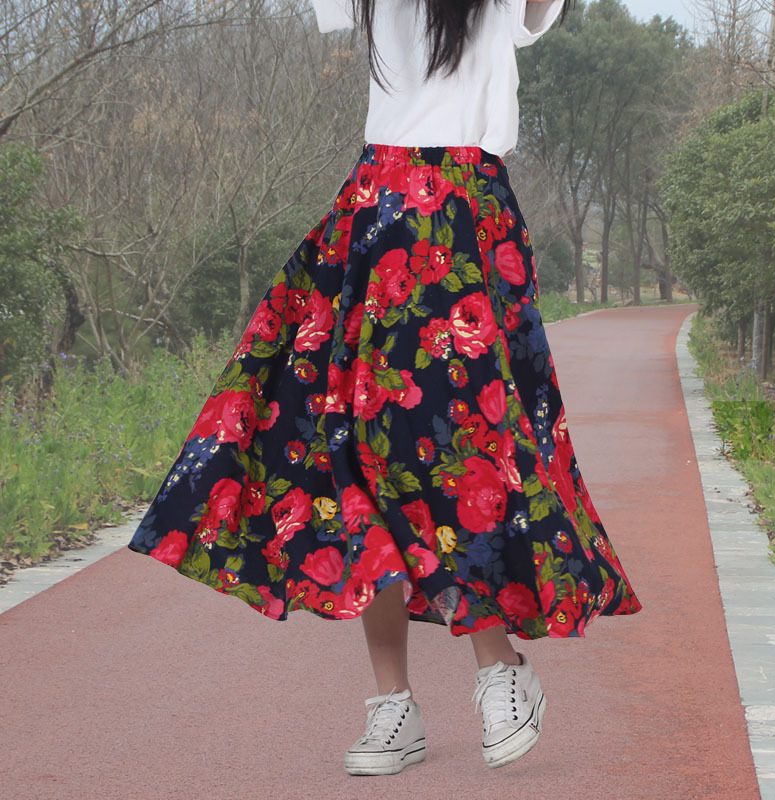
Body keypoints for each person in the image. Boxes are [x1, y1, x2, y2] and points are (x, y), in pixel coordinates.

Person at [127, 0, 643, 778]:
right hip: (377, 214)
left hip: (467, 218)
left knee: (464, 444)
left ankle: (499, 670)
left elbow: (536, 13)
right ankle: (394, 704)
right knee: (356, 450)